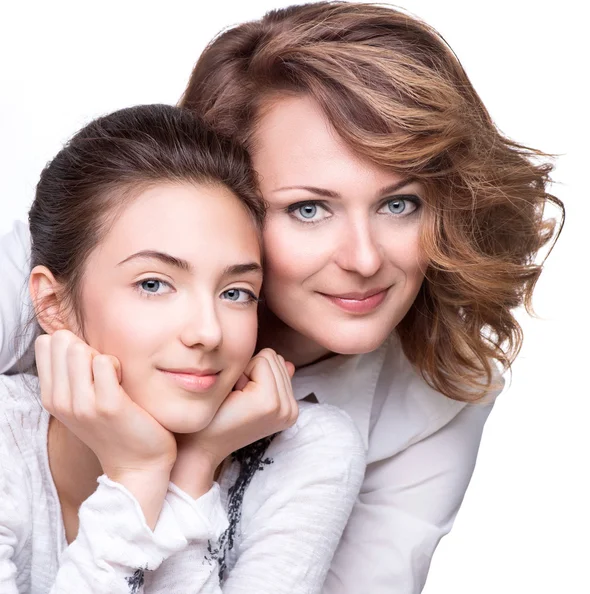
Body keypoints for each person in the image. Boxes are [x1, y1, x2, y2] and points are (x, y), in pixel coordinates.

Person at [0, 2, 564, 592]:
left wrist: (183, 472)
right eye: (309, 209)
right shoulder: (53, 269)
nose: (365, 259)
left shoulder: (416, 403)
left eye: (399, 203)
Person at [0, 104, 365, 593]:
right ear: (52, 302)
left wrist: (191, 471)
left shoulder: (307, 452)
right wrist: (136, 478)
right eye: (154, 284)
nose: (208, 333)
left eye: (236, 292)